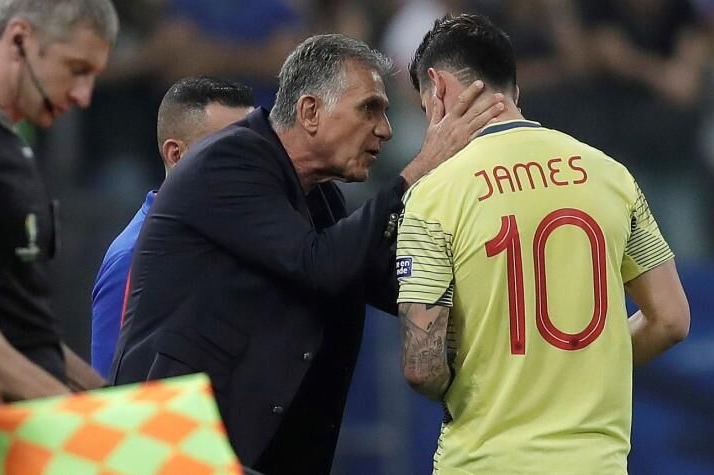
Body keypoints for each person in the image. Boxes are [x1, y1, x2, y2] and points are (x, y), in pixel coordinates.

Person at [109, 33, 505, 474]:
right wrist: (417, 172)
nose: (385, 129)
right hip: (175, 451)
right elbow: (317, 264)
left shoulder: (322, 199)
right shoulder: (227, 161)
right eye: (369, 109)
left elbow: (391, 282)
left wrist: (503, 269)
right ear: (311, 111)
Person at [396, 13, 690, 474]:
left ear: (438, 88)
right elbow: (671, 319)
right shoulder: (610, 175)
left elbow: (422, 366)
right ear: (514, 90)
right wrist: (581, 371)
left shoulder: (433, 195)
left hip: (485, 463)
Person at [90, 76, 255, 378]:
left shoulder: (252, 239)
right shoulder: (132, 258)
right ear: (175, 155)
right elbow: (112, 389)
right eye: (229, 150)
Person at [0, 0, 118, 401]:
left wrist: (109, 399)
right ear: (20, 38)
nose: (84, 95)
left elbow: (27, 331)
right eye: (77, 69)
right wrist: (72, 416)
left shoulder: (17, 148)